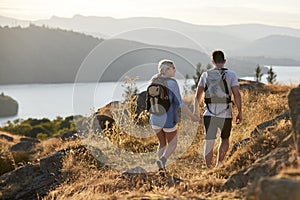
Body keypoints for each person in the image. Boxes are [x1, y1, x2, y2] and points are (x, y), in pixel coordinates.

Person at [194, 50, 242, 168]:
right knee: (224, 139)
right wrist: (240, 112)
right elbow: (237, 94)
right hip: (225, 114)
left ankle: (208, 168)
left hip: (209, 114)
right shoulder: (231, 75)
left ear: (213, 61)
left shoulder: (205, 75)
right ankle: (219, 163)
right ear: (224, 61)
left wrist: (196, 112)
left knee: (209, 141)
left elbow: (197, 96)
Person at [149, 59, 199, 171]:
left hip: (154, 119)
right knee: (173, 144)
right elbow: (180, 104)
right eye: (173, 68)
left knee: (162, 143)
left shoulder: (154, 81)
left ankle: (162, 169)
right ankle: (162, 160)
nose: (175, 70)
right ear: (166, 70)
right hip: (167, 119)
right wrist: (192, 116)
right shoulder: (172, 83)